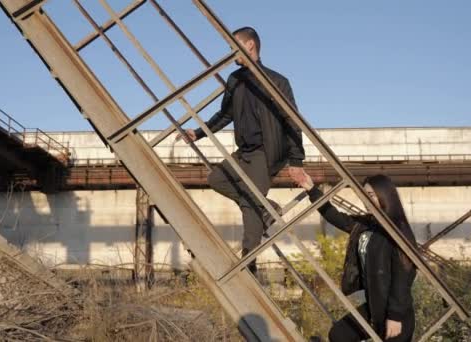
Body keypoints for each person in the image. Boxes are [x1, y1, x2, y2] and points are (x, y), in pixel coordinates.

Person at [177, 27, 305, 274]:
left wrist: (296, 160)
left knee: (250, 212)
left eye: (232, 46)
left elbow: (292, 121)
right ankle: (267, 207)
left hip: (264, 153)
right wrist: (199, 132)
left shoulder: (277, 81)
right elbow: (225, 114)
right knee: (216, 179)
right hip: (243, 152)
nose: (229, 53)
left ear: (250, 46)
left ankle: (250, 266)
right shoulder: (235, 80)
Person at [297, 172, 416, 342]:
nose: (365, 200)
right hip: (374, 308)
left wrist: (395, 316)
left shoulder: (398, 230)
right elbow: (335, 217)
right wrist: (311, 189)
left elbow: (404, 275)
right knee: (339, 334)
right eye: (363, 195)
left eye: (371, 195)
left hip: (396, 315)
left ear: (385, 195)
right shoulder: (367, 224)